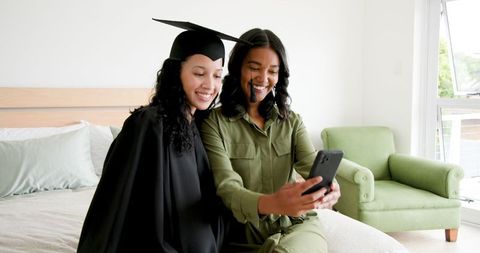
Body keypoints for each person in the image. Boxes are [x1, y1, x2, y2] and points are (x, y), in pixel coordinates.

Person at [77, 19, 245, 253]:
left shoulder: (198, 126)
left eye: (217, 76)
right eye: (199, 73)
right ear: (176, 72)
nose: (210, 85)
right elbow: (127, 205)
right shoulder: (150, 123)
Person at [200, 28, 341, 253]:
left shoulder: (292, 121)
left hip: (298, 226)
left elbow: (311, 166)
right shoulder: (213, 124)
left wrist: (331, 188)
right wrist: (274, 203)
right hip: (245, 235)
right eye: (254, 68)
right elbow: (227, 188)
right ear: (238, 69)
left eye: (272, 71)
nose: (263, 79)